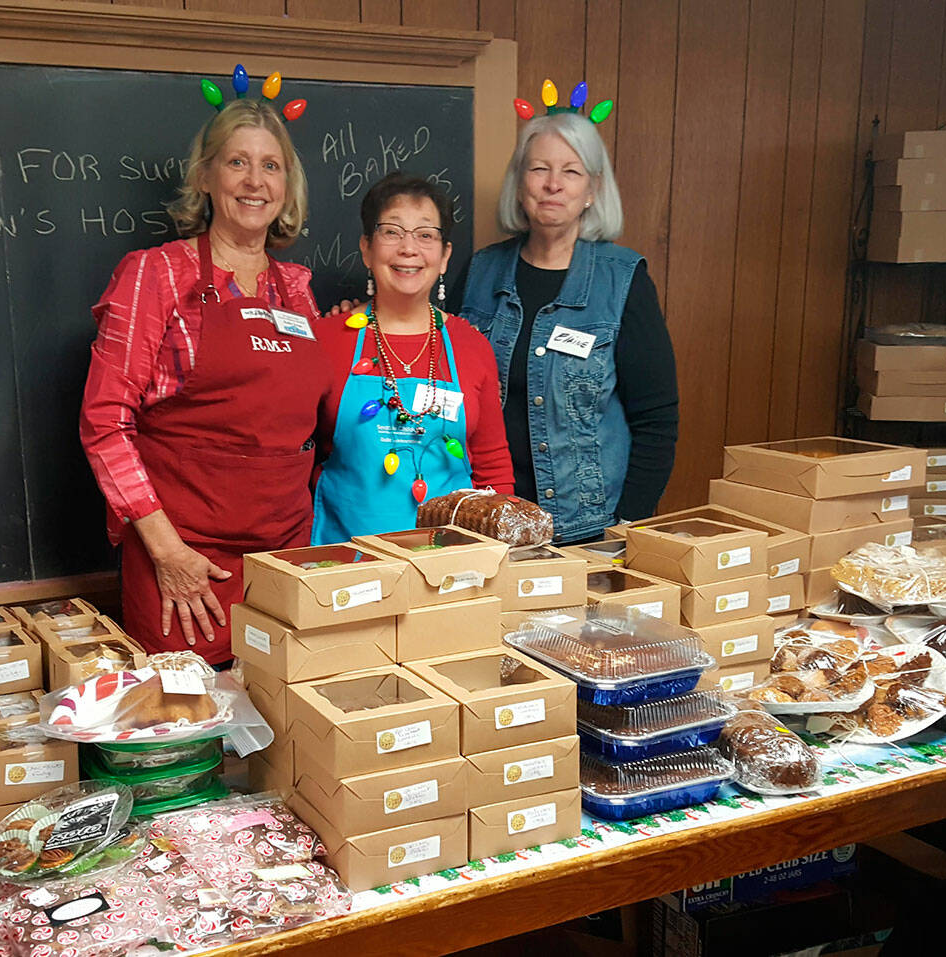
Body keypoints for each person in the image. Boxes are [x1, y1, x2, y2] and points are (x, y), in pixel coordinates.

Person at [80, 97, 329, 662]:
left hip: (283, 559)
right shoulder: (156, 273)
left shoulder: (297, 289)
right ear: (205, 176)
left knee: (283, 731)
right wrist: (168, 553)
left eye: (271, 166)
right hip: (187, 561)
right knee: (191, 732)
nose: (255, 181)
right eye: (237, 162)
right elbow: (104, 423)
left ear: (288, 186)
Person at [452, 112, 678, 542]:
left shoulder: (623, 279)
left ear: (592, 189)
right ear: (519, 184)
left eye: (571, 171)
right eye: (539, 168)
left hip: (589, 531)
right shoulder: (481, 273)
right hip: (486, 525)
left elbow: (656, 420)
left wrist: (626, 523)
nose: (553, 184)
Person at [312, 172, 513, 542]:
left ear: (444, 256)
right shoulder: (327, 340)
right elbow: (297, 461)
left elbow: (493, 467)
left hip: (451, 565)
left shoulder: (471, 346)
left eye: (425, 235)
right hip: (344, 567)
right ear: (366, 248)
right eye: (392, 232)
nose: (409, 249)